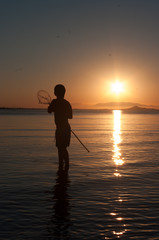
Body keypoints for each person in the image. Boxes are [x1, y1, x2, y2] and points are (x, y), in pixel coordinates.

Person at [48, 84, 73, 171]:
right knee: (62, 148)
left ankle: (63, 167)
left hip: (62, 129)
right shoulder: (66, 103)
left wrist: (58, 109)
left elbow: (49, 111)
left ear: (56, 93)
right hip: (65, 128)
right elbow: (70, 116)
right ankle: (64, 167)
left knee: (61, 148)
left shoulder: (55, 102)